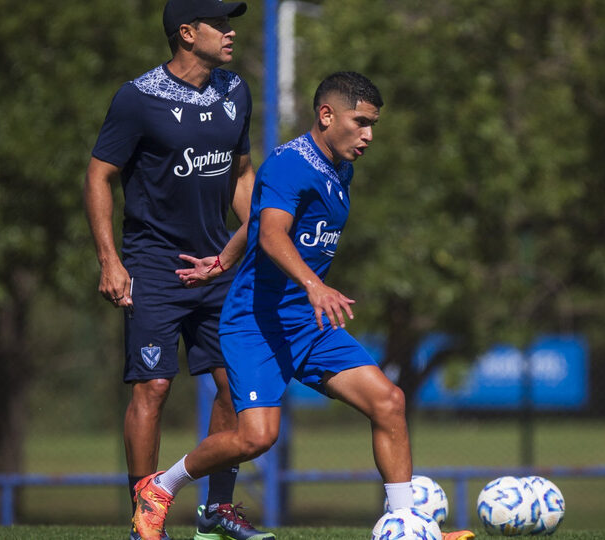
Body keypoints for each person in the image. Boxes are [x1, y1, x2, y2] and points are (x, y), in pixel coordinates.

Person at [128, 71, 419, 540]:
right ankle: (159, 488)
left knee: (389, 401)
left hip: (308, 323)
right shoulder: (290, 163)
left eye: (373, 125)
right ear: (326, 115)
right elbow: (271, 231)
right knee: (256, 438)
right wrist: (313, 284)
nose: (368, 135)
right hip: (257, 324)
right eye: (360, 122)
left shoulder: (341, 165)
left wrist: (222, 260)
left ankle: (407, 524)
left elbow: (261, 215)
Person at [83, 1, 272, 539]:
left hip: (218, 267)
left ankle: (217, 509)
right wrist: (109, 260)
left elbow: (240, 174)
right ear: (187, 34)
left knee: (236, 388)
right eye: (220, 24)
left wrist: (264, 238)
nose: (231, 32)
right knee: (154, 387)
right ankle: (145, 513)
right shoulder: (137, 99)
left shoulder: (235, 91)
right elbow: (99, 176)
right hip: (153, 266)